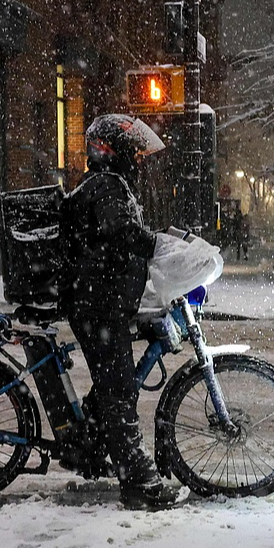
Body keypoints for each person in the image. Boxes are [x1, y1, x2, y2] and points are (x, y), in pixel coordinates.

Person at [61, 113, 187, 511]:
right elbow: (123, 234)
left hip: (99, 301)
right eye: (133, 153)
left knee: (112, 381)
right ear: (115, 153)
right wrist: (161, 247)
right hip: (97, 305)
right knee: (119, 390)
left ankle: (91, 447)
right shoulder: (107, 187)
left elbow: (122, 236)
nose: (138, 160)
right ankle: (138, 482)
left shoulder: (105, 185)